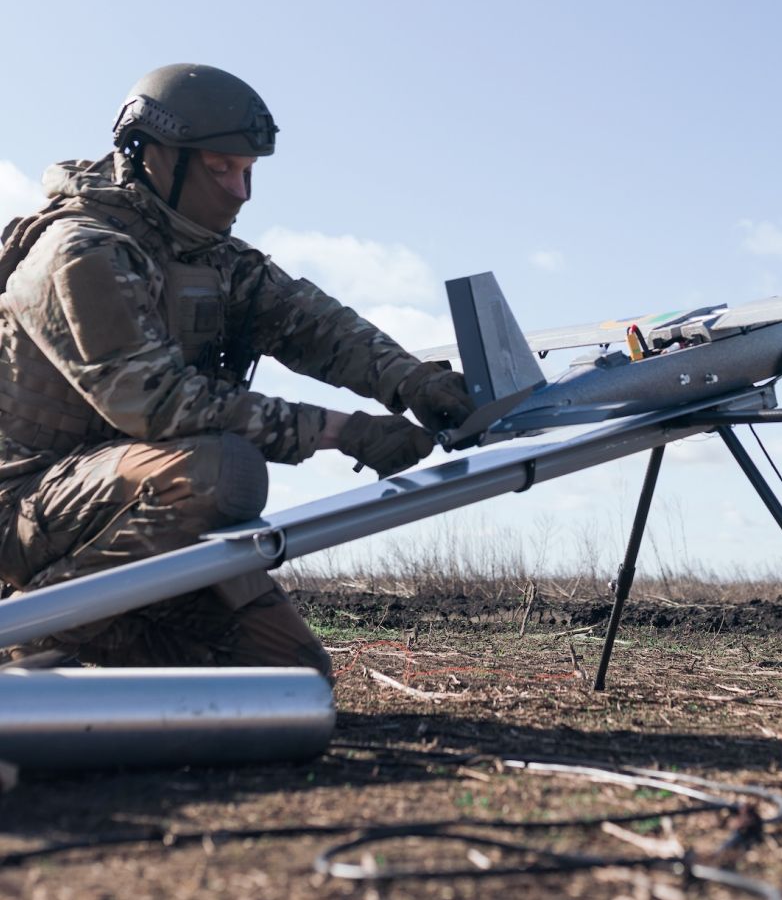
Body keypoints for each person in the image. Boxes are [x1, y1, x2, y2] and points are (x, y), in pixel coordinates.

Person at [0, 63, 473, 676]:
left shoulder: (214, 259)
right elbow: (155, 405)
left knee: (289, 680)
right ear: (153, 157)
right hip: (31, 508)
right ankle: (29, 634)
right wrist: (341, 432)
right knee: (224, 472)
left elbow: (315, 324)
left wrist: (414, 381)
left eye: (248, 171)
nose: (239, 191)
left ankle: (94, 639)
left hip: (150, 518)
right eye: (220, 168)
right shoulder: (81, 251)